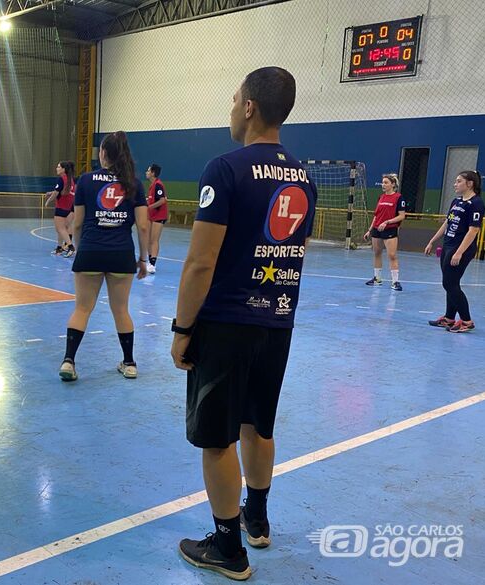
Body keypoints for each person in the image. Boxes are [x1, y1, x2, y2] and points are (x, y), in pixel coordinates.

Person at [171, 67, 317, 581]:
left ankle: (229, 547)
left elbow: (200, 264)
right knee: (259, 424)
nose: (231, 109)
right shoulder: (304, 177)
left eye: (234, 100)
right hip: (278, 322)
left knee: (217, 439)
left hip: (227, 325)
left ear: (251, 107)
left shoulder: (225, 169)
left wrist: (182, 328)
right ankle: (257, 519)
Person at [59, 132, 149, 382]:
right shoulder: (134, 184)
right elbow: (143, 226)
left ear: (103, 154)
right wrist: (143, 259)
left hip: (90, 250)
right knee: (121, 309)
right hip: (121, 254)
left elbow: (76, 224)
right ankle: (129, 363)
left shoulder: (86, 181)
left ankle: (68, 361)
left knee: (82, 308)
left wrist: (79, 249)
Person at [425, 170, 484, 333]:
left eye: (458, 181)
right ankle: (449, 318)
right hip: (448, 246)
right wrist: (432, 240)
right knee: (450, 283)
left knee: (449, 283)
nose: (455, 184)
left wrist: (459, 252)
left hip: (461, 248)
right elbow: (447, 223)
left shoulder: (476, 203)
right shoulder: (456, 201)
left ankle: (466, 321)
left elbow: (473, 231)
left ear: (469, 183)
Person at [363, 173, 406, 290]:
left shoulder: (398, 198)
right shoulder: (381, 197)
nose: (383, 184)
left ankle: (395, 282)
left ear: (393, 184)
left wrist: (387, 222)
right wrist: (370, 230)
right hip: (377, 229)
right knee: (377, 253)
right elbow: (376, 216)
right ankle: (377, 279)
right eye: (383, 182)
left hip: (390, 229)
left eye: (386, 182)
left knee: (392, 255)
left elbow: (402, 216)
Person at [45, 161, 76, 257]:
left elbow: (56, 193)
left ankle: (71, 247)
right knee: (62, 228)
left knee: (60, 228)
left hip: (61, 206)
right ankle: (59, 248)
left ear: (63, 169)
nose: (56, 168)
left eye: (58, 167)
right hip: (68, 206)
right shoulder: (70, 179)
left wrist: (48, 201)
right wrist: (52, 193)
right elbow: (62, 190)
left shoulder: (62, 179)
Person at [145, 163, 168, 273]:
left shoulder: (158, 185)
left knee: (154, 240)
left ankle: (153, 265)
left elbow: (162, 200)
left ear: (153, 173)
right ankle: (150, 262)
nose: (146, 172)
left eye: (148, 170)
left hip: (159, 216)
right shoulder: (152, 185)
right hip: (151, 215)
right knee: (149, 239)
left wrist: (149, 207)